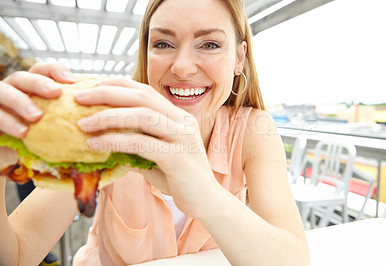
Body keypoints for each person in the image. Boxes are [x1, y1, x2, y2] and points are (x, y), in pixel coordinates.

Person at [0, 0, 310, 265]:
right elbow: (15, 256)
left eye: (210, 44)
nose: (183, 67)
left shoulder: (253, 131)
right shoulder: (106, 123)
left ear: (239, 58)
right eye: (163, 43)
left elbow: (293, 258)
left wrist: (206, 196)